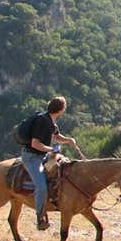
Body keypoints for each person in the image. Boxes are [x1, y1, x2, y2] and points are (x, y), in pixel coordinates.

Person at [20, 96, 78, 231]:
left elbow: (57, 136)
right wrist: (52, 149)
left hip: (43, 155)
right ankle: (40, 217)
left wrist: (69, 140)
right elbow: (35, 144)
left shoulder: (51, 121)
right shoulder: (42, 121)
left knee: (63, 168)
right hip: (32, 157)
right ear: (61, 109)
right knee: (41, 186)